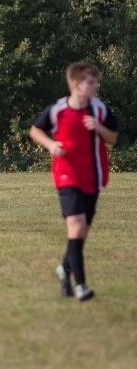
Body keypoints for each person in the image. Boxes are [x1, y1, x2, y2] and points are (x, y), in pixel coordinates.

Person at [29, 63, 118, 301]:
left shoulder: (99, 109)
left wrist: (99, 128)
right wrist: (51, 145)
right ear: (77, 84)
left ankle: (64, 269)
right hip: (66, 175)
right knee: (76, 228)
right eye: (91, 82)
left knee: (80, 234)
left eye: (95, 82)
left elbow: (113, 138)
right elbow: (35, 130)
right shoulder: (57, 109)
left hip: (94, 176)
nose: (95, 86)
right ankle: (81, 286)